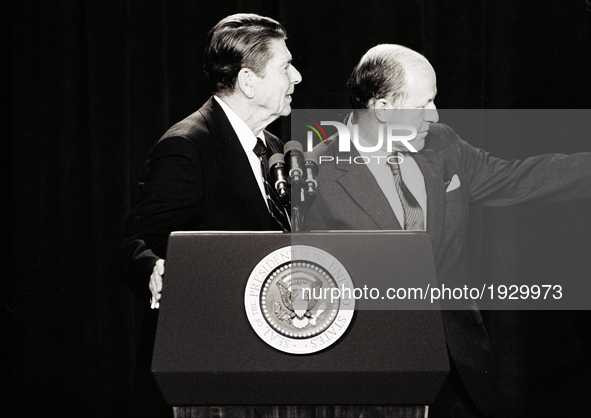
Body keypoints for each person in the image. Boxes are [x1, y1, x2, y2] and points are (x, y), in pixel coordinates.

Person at [304, 44, 591, 418]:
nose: (434, 114)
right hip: (375, 373)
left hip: (459, 362)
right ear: (383, 109)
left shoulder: (444, 144)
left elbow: (520, 178)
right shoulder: (316, 174)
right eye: (422, 105)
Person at [118, 13, 301, 417]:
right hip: (205, 366)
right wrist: (153, 269)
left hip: (264, 358)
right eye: (286, 67)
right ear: (249, 82)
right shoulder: (187, 146)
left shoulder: (270, 143)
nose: (298, 77)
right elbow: (136, 242)